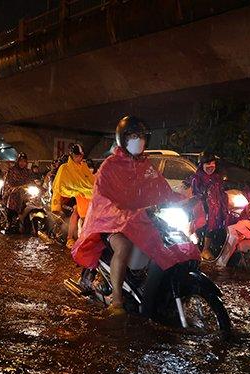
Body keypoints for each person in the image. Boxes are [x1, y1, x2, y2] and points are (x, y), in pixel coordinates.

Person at [71, 116, 200, 316]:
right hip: (111, 223)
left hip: (138, 219)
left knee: (167, 240)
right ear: (123, 138)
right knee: (123, 246)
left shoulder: (145, 166)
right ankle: (117, 299)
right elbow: (102, 197)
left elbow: (161, 188)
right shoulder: (109, 165)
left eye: (141, 136)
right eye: (132, 135)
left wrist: (182, 199)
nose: (137, 140)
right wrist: (121, 213)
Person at [51, 143, 95, 249]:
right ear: (71, 156)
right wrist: (75, 192)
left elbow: (90, 181)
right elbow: (59, 187)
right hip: (67, 197)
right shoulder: (64, 168)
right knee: (75, 211)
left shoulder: (83, 166)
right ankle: (69, 238)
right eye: (77, 156)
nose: (79, 158)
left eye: (80, 156)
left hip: (82, 195)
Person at [191, 151, 229, 260]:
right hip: (202, 208)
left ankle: (206, 249)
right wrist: (206, 198)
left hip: (215, 208)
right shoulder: (196, 178)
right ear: (202, 165)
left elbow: (221, 190)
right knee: (201, 227)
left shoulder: (217, 178)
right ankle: (198, 250)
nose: (211, 166)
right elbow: (196, 194)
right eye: (208, 164)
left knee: (213, 227)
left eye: (213, 163)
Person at [1, 152, 37, 218]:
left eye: (24, 161)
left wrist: (38, 186)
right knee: (13, 200)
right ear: (17, 161)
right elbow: (9, 184)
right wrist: (17, 187)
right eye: (20, 161)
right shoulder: (12, 170)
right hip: (12, 191)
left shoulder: (28, 171)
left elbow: (31, 181)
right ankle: (10, 222)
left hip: (25, 191)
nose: (22, 163)